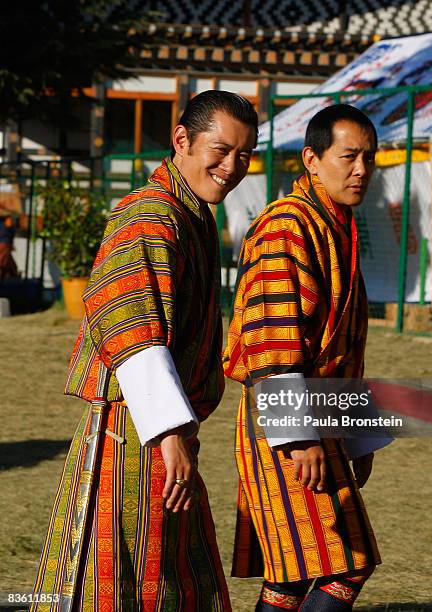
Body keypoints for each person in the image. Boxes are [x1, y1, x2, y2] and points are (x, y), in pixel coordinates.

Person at [30, 90, 258, 612]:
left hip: (164, 433)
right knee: (118, 584)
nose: (231, 167)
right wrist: (170, 432)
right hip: (136, 435)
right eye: (220, 150)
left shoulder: (191, 212)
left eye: (244, 155)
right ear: (182, 140)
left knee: (168, 576)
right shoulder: (150, 216)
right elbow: (130, 325)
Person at [224, 104, 385, 611]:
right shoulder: (286, 226)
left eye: (369, 158)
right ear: (312, 159)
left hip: (320, 417)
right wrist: (300, 439)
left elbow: (346, 346)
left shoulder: (336, 223)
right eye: (349, 156)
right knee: (347, 562)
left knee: (295, 573)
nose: (361, 169)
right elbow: (273, 336)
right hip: (287, 423)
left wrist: (356, 435)